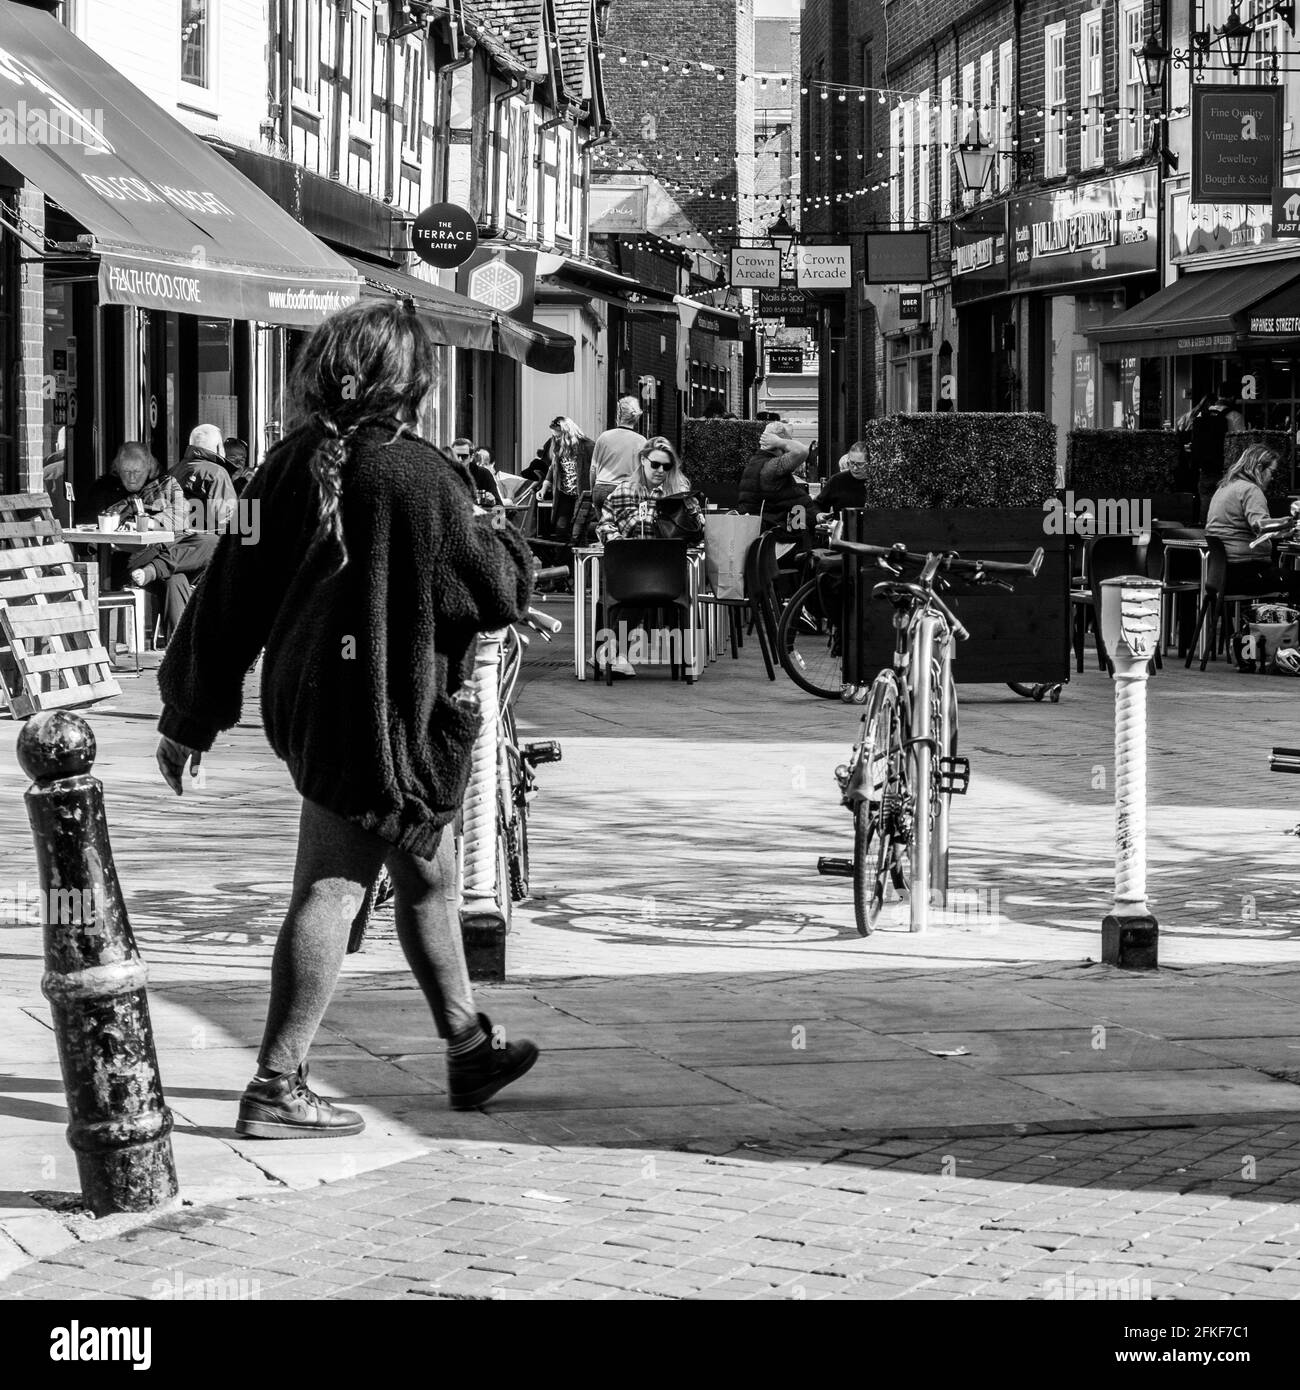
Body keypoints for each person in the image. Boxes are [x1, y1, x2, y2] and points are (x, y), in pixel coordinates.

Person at [153, 299, 539, 1137]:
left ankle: (468, 1041)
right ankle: (277, 1084)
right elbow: (491, 586)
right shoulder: (423, 475)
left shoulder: (287, 467)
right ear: (412, 382)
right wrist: (504, 533)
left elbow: (227, 600)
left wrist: (191, 714)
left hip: (320, 706)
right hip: (384, 719)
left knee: (428, 877)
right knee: (331, 890)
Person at [78, 442, 217, 636]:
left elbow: (181, 516)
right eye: (126, 471)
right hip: (127, 559)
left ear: (149, 468)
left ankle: (178, 658)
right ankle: (182, 657)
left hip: (162, 552)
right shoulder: (104, 489)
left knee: (204, 551)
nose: (132, 477)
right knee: (176, 573)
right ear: (117, 469)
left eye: (137, 471)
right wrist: (117, 524)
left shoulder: (166, 484)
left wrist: (150, 522)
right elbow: (88, 524)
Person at [595, 437, 704, 677]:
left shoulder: (679, 492)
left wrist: (687, 514)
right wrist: (619, 545)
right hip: (631, 567)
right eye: (655, 464)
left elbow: (698, 529)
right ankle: (613, 653)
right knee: (639, 586)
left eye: (667, 467)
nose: (661, 471)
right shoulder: (625, 490)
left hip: (669, 572)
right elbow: (605, 525)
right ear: (643, 460)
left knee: (644, 587)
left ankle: (611, 653)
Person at [1204, 445, 1300, 603]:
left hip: (1221, 575)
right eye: (1272, 472)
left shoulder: (1224, 487)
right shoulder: (1250, 490)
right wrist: (1289, 523)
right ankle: (1283, 626)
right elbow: (1260, 525)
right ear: (1259, 468)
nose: (1273, 477)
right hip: (1246, 573)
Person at [738, 420, 812, 535]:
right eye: (788, 440)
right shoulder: (771, 466)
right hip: (777, 535)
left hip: (765, 531)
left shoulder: (757, 462)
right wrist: (780, 442)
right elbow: (802, 451)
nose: (789, 444)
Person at [1190, 388, 1246, 522]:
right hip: (1226, 468)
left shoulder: (1201, 414)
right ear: (1232, 397)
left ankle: (1204, 531)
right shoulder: (1234, 416)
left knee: (1206, 500)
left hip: (1205, 467)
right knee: (1228, 502)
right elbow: (1240, 443)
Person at [589, 395, 647, 515]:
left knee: (604, 529)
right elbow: (644, 472)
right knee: (624, 531)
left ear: (618, 416)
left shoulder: (603, 437)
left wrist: (592, 491)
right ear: (636, 418)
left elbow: (593, 470)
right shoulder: (641, 441)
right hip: (625, 490)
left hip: (601, 489)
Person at [538, 415, 592, 541]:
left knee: (578, 530)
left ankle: (577, 558)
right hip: (564, 494)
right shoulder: (557, 447)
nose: (555, 438)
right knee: (560, 528)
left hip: (582, 493)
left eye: (558, 436)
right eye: (554, 436)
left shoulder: (587, 446)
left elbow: (596, 468)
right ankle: (563, 559)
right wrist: (544, 487)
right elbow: (553, 468)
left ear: (567, 433)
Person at [816, 441, 870, 515]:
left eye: (860, 464)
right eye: (851, 463)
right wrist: (818, 514)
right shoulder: (837, 480)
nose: (854, 468)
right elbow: (817, 505)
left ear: (869, 463)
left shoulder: (877, 482)